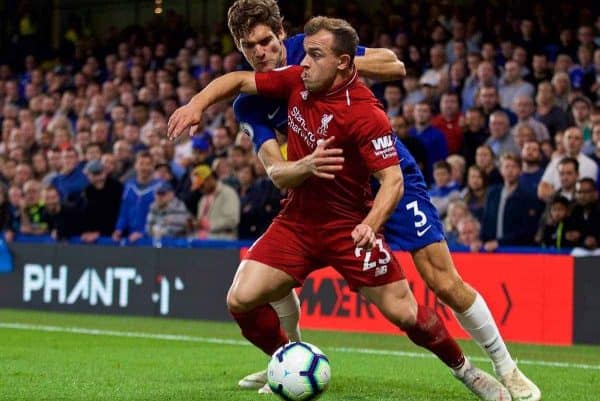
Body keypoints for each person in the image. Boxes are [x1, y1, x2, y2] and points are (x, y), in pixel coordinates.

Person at [168, 14, 513, 401]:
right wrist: (198, 105)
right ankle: (289, 357)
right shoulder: (282, 85)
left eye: (266, 42)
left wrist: (336, 58)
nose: (260, 52)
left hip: (357, 208)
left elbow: (392, 168)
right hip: (301, 211)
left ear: (284, 36)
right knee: (241, 297)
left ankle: (478, 371)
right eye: (249, 47)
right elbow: (265, 147)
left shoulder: (352, 97)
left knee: (418, 301)